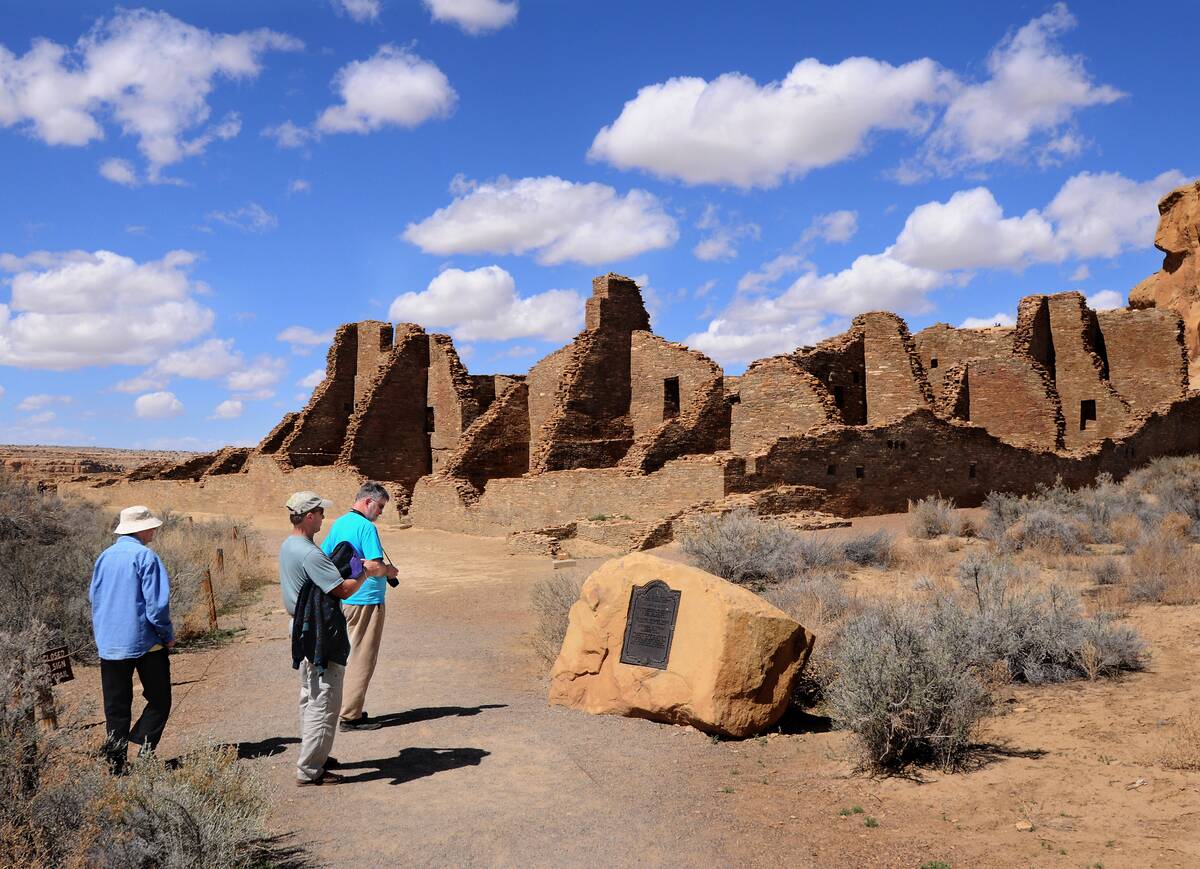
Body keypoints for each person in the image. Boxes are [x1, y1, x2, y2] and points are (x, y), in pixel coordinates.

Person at [279, 491, 373, 786]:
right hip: (319, 630)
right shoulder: (309, 553)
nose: (323, 518)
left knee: (310, 694)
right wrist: (364, 574)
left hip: (301, 627)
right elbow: (342, 590)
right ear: (309, 516)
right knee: (325, 699)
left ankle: (316, 753)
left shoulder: (289, 545)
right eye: (320, 513)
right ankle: (310, 769)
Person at [89, 505, 174, 774]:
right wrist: (167, 635)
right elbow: (157, 607)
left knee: (116, 706)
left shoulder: (105, 556)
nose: (155, 529)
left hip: (109, 642)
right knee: (160, 699)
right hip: (145, 643)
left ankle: (116, 764)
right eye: (151, 525)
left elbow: (94, 596)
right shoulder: (145, 557)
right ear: (140, 528)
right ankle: (145, 749)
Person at [320, 481, 399, 731]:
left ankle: (340, 708)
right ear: (367, 502)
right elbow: (374, 567)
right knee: (362, 657)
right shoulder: (366, 527)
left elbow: (325, 555)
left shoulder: (340, 523)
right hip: (366, 600)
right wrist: (390, 571)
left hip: (345, 597)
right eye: (380, 506)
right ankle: (350, 715)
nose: (381, 513)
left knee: (349, 652)